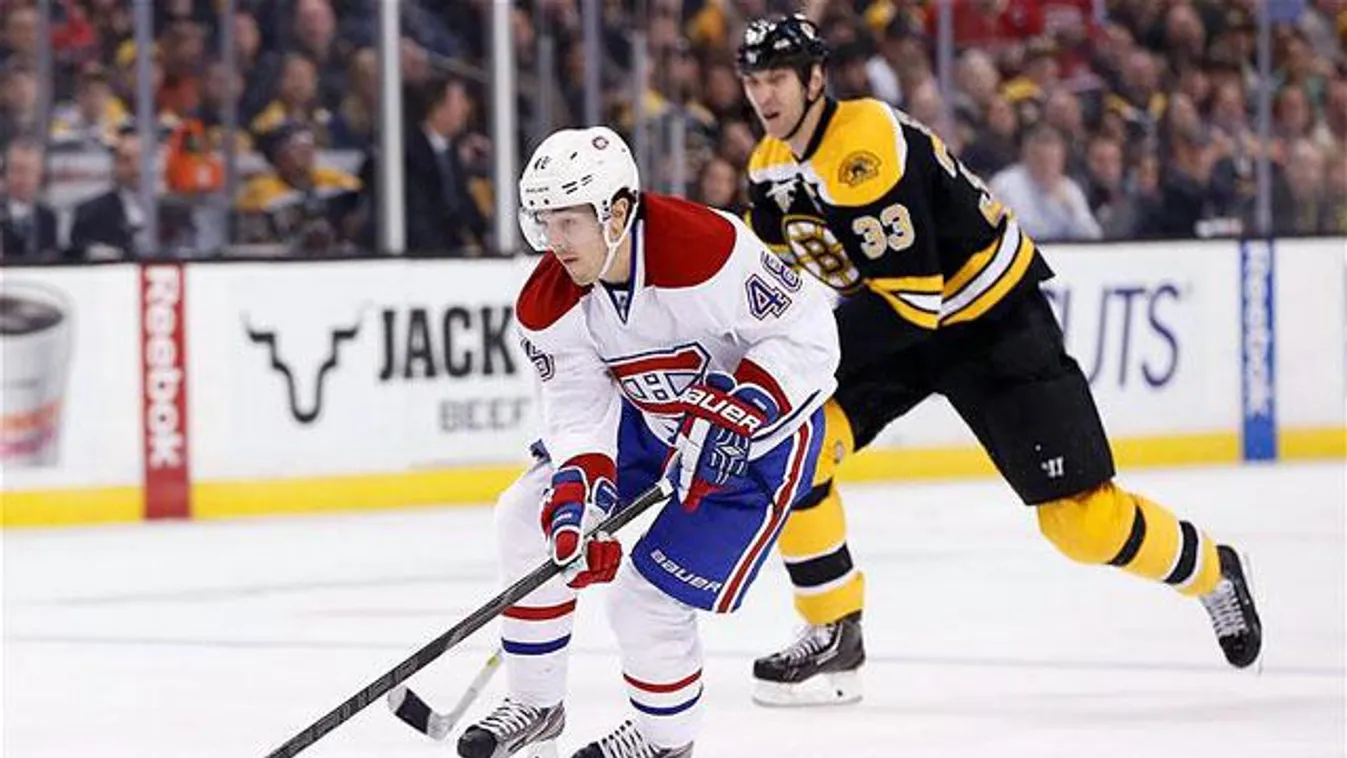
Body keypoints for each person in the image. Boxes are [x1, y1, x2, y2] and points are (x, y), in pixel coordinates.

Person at [736, 14, 1263, 706]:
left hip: (992, 320)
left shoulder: (862, 143)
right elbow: (776, 288)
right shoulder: (769, 168)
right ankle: (833, 630)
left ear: (813, 79)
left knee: (1081, 525)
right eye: (752, 81)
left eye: (776, 78)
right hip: (901, 323)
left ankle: (1213, 571)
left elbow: (911, 302)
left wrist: (791, 361)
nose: (763, 95)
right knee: (793, 448)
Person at [456, 126, 839, 758]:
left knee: (642, 601)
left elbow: (810, 335)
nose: (554, 241)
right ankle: (536, 703)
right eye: (544, 222)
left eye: (569, 222)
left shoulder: (705, 251)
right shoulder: (549, 302)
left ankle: (665, 742)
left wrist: (743, 408)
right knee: (525, 517)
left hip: (760, 447)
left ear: (617, 212)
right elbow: (580, 410)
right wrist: (578, 506)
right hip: (652, 423)